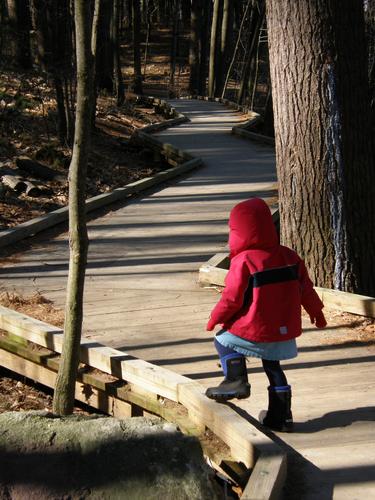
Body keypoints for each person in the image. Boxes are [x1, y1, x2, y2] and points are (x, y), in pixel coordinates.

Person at [205, 198, 327, 432]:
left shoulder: (243, 261)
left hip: (254, 327)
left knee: (222, 341)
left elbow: (232, 299)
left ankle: (236, 381)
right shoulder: (289, 256)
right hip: (283, 329)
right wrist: (317, 312)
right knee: (273, 366)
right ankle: (281, 417)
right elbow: (307, 289)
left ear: (238, 231)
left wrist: (215, 318)